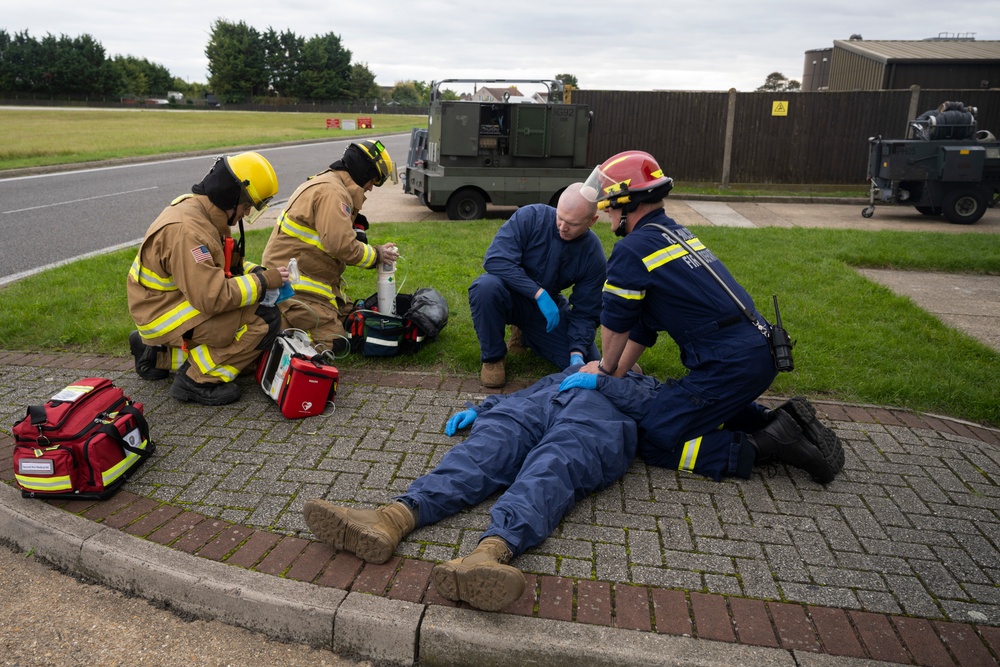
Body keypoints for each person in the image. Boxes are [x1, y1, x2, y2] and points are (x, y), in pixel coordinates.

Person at [574, 150, 844, 484]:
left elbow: (616, 322)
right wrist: (617, 373)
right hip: (758, 352)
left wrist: (601, 371)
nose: (606, 212)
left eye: (609, 204)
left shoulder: (632, 250)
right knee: (690, 409)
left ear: (629, 202)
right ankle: (778, 421)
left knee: (658, 438)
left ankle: (768, 445)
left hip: (728, 365)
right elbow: (643, 326)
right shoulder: (675, 234)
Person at [303, 366, 660, 612]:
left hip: (592, 422)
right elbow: (528, 393)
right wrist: (485, 408)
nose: (607, 362)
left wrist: (609, 383)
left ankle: (488, 554)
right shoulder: (569, 373)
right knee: (481, 454)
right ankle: (392, 518)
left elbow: (659, 414)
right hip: (533, 412)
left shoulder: (645, 386)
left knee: (551, 468)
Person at [127, 152, 289, 406]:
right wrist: (263, 282)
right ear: (231, 198)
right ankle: (197, 381)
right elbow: (213, 296)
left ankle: (157, 356)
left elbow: (216, 267)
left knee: (246, 348)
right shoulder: (188, 232)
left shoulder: (199, 211)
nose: (245, 215)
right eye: (246, 207)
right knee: (262, 320)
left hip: (168, 302)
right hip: (162, 313)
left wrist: (255, 272)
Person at [261, 140, 400, 352]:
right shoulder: (333, 193)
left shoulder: (331, 183)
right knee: (335, 342)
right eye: (372, 181)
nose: (371, 188)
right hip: (295, 284)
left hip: (307, 277)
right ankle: (272, 330)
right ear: (362, 173)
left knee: (352, 320)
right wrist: (377, 255)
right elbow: (341, 246)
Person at [468, 182, 606, 388]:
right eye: (560, 217)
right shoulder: (530, 216)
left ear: (592, 221)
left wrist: (577, 351)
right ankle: (493, 358)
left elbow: (587, 311)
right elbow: (495, 260)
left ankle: (526, 336)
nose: (562, 227)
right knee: (485, 287)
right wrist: (538, 293)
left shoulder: (593, 254)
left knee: (587, 366)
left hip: (545, 311)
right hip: (509, 295)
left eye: (573, 224)